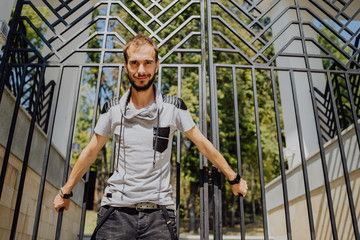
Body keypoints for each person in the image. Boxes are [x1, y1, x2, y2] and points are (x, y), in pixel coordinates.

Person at [53, 33, 248, 239]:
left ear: (157, 66)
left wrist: (233, 177)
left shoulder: (174, 108)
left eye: (147, 63)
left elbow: (202, 144)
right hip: (115, 212)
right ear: (126, 66)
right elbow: (91, 151)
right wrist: (65, 191)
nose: (141, 70)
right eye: (134, 63)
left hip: (159, 214)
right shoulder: (112, 109)